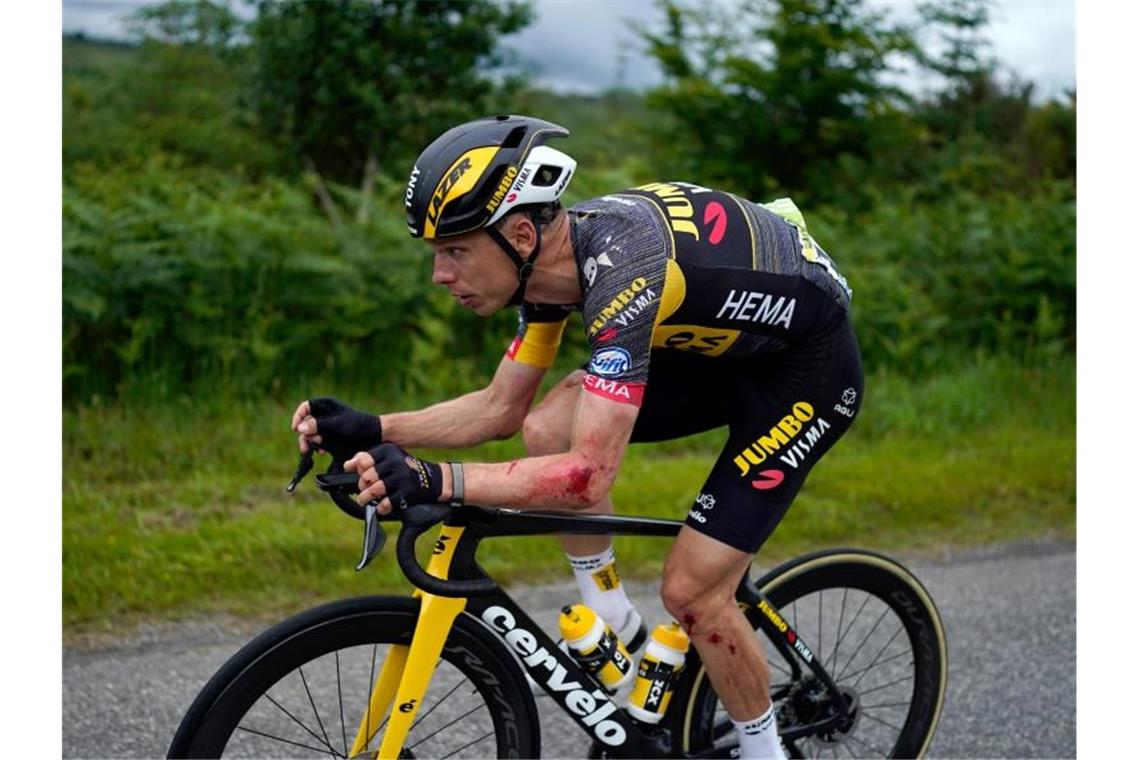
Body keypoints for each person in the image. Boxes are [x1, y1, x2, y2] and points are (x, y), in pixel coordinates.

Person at [290, 114, 863, 759]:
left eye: (454, 251)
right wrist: (374, 427)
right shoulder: (548, 273)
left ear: (521, 233)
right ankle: (614, 618)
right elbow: (500, 410)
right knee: (544, 424)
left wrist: (434, 478)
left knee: (693, 591)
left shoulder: (625, 272)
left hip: (803, 372)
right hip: (719, 351)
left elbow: (589, 475)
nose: (440, 276)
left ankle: (766, 754)